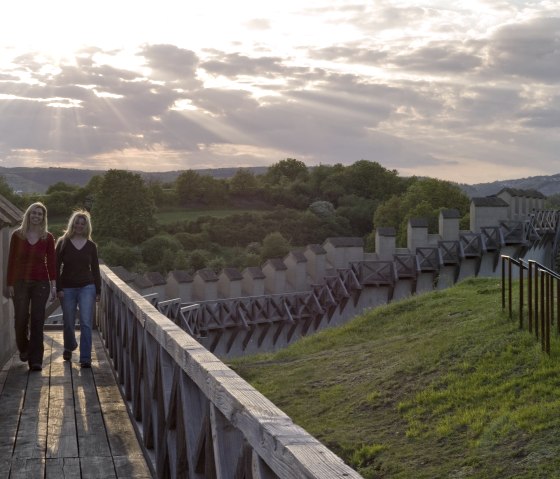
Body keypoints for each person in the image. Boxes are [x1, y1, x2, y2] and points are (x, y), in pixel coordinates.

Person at [7, 202, 57, 371]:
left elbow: (51, 262)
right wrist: (9, 283)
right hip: (20, 282)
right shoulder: (17, 235)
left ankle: (36, 360)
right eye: (33, 213)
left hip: (41, 283)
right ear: (28, 215)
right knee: (20, 319)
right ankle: (24, 348)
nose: (36, 216)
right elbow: (11, 260)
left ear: (43, 217)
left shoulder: (47, 237)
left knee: (37, 320)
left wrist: (53, 285)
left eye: (40, 214)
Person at [55, 210, 101, 368]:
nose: (79, 225)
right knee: (68, 321)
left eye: (83, 223)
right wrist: (58, 288)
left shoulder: (91, 246)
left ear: (87, 226)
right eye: (77, 222)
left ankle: (85, 358)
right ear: (72, 223)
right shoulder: (63, 242)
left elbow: (95, 269)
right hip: (67, 287)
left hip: (87, 287)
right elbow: (55, 266)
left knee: (86, 323)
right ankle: (69, 346)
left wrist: (99, 291)